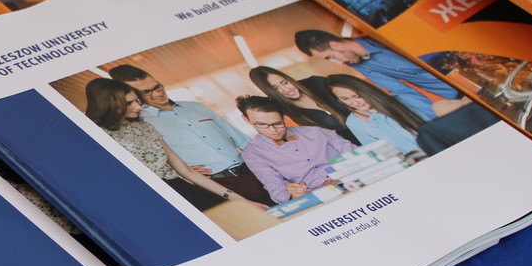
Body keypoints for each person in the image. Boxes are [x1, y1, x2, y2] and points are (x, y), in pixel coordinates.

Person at [84, 78, 259, 212]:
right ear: (108, 103)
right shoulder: (97, 135)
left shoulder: (145, 126)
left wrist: (240, 200)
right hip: (149, 200)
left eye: (137, 100)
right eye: (129, 103)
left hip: (184, 190)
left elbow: (186, 171)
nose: (139, 106)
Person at [109, 63, 274, 204]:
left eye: (157, 86)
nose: (158, 93)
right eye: (147, 92)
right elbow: (155, 163)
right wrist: (181, 174)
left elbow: (242, 140)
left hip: (253, 172)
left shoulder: (195, 107)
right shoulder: (142, 124)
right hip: (215, 186)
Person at [294, 29, 462, 122]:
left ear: (335, 45)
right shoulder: (360, 65)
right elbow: (401, 91)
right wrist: (437, 118)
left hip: (464, 67)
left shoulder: (379, 36)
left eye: (330, 57)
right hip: (458, 95)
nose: (338, 63)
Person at [237, 95, 358, 204]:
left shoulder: (315, 132)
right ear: (246, 120)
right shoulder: (253, 154)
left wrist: (344, 176)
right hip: (318, 199)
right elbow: (276, 188)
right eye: (261, 124)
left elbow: (357, 154)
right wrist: (293, 195)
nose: (273, 130)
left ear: (283, 117)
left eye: (278, 123)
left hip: (354, 180)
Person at [327, 74, 424, 156]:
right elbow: (379, 152)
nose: (355, 103)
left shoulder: (398, 101)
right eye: (345, 99)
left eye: (357, 96)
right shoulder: (353, 122)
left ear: (366, 91)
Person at [248, 65, 349, 134]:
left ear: (288, 78)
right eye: (276, 89)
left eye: (284, 82)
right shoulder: (284, 110)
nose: (286, 89)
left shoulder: (317, 83)